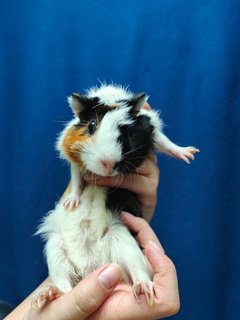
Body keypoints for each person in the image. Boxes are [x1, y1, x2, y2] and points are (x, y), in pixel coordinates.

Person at [6, 104, 180, 320]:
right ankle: (61, 286)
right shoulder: (77, 131)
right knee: (54, 241)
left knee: (120, 235)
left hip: (108, 233)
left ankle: (140, 279)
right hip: (74, 238)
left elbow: (153, 131)